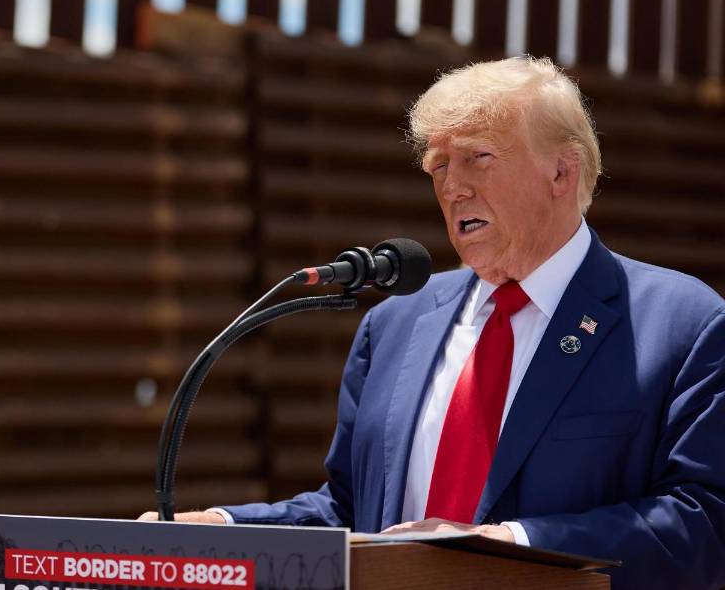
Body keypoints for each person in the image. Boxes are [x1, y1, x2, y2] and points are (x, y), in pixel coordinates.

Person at [140, 56, 725, 590]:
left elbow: (705, 522)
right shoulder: (394, 324)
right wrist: (223, 528)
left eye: (478, 158)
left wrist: (510, 543)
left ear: (561, 172)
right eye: (438, 166)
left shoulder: (681, 323)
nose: (452, 187)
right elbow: (352, 513)